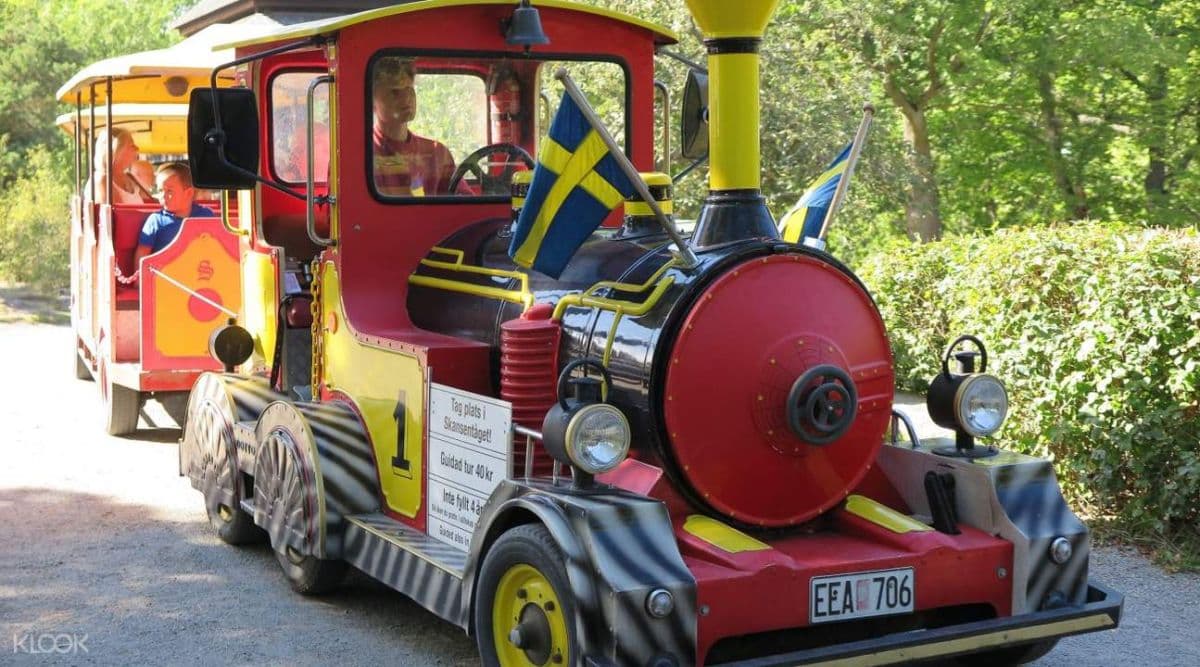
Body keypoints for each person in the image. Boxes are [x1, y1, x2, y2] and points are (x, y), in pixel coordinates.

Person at [371, 57, 458, 196]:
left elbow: (463, 203)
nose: (407, 98)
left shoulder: (437, 154)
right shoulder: (358, 156)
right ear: (371, 100)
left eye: (409, 89)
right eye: (395, 92)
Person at [117, 163, 214, 284]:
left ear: (188, 193)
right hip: (165, 281)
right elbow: (142, 253)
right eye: (160, 190)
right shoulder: (156, 221)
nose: (163, 196)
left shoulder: (205, 216)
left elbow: (213, 248)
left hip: (200, 278)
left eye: (169, 191)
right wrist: (140, 283)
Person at [86, 127, 141, 204]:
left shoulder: (129, 178)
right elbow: (119, 214)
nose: (137, 148)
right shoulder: (102, 181)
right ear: (117, 150)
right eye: (132, 145)